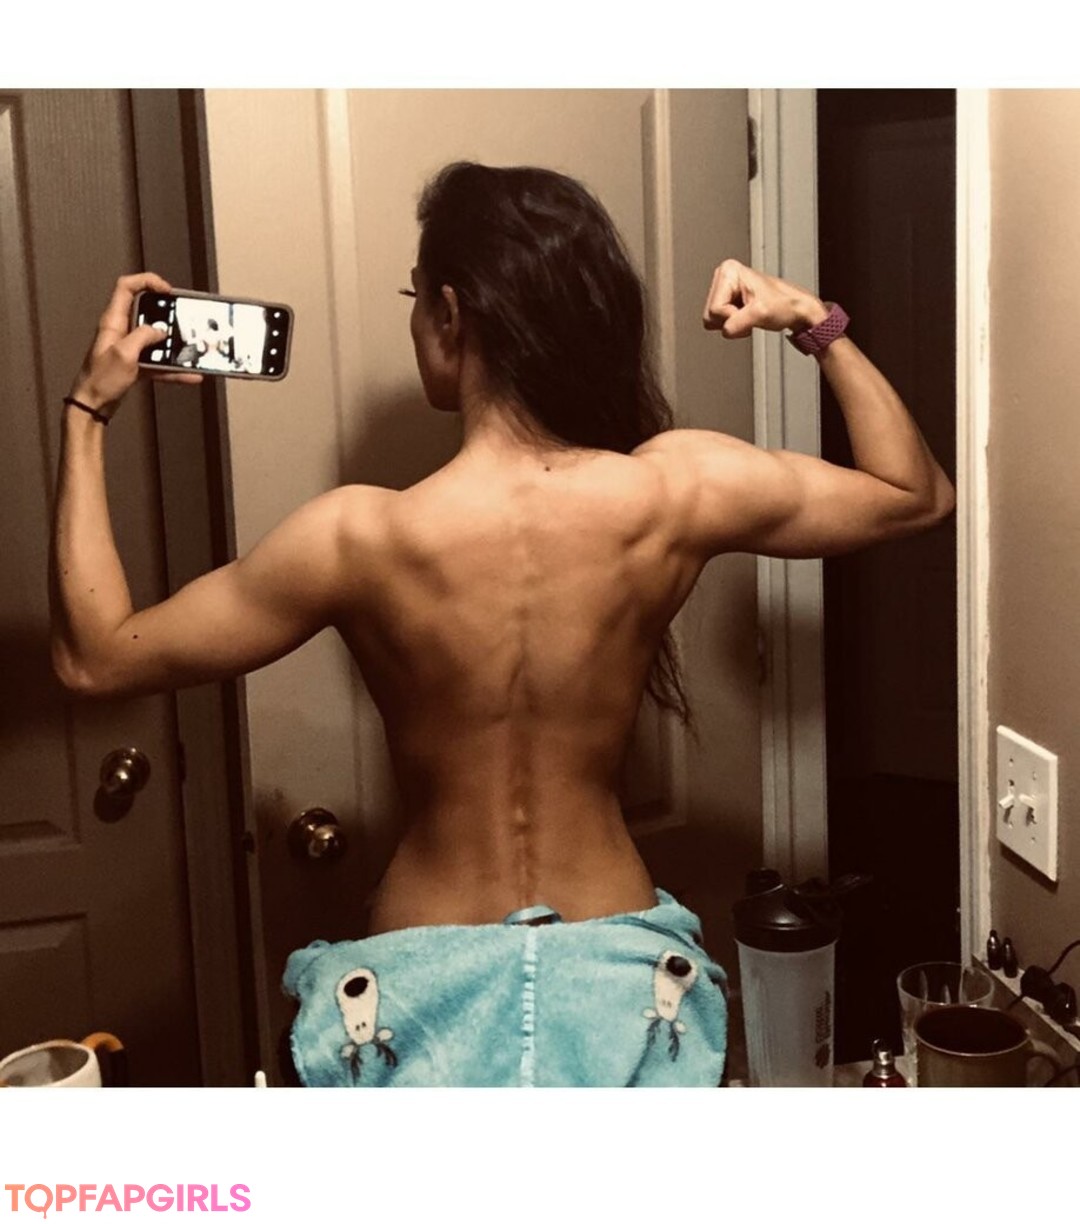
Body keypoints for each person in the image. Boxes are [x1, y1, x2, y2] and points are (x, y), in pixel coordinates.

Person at [50, 162, 955, 1088]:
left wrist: (88, 412)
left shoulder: (357, 538)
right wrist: (810, 319)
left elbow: (95, 658)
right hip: (619, 976)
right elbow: (914, 493)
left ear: (451, 313)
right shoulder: (673, 493)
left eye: (416, 298)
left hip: (413, 987)